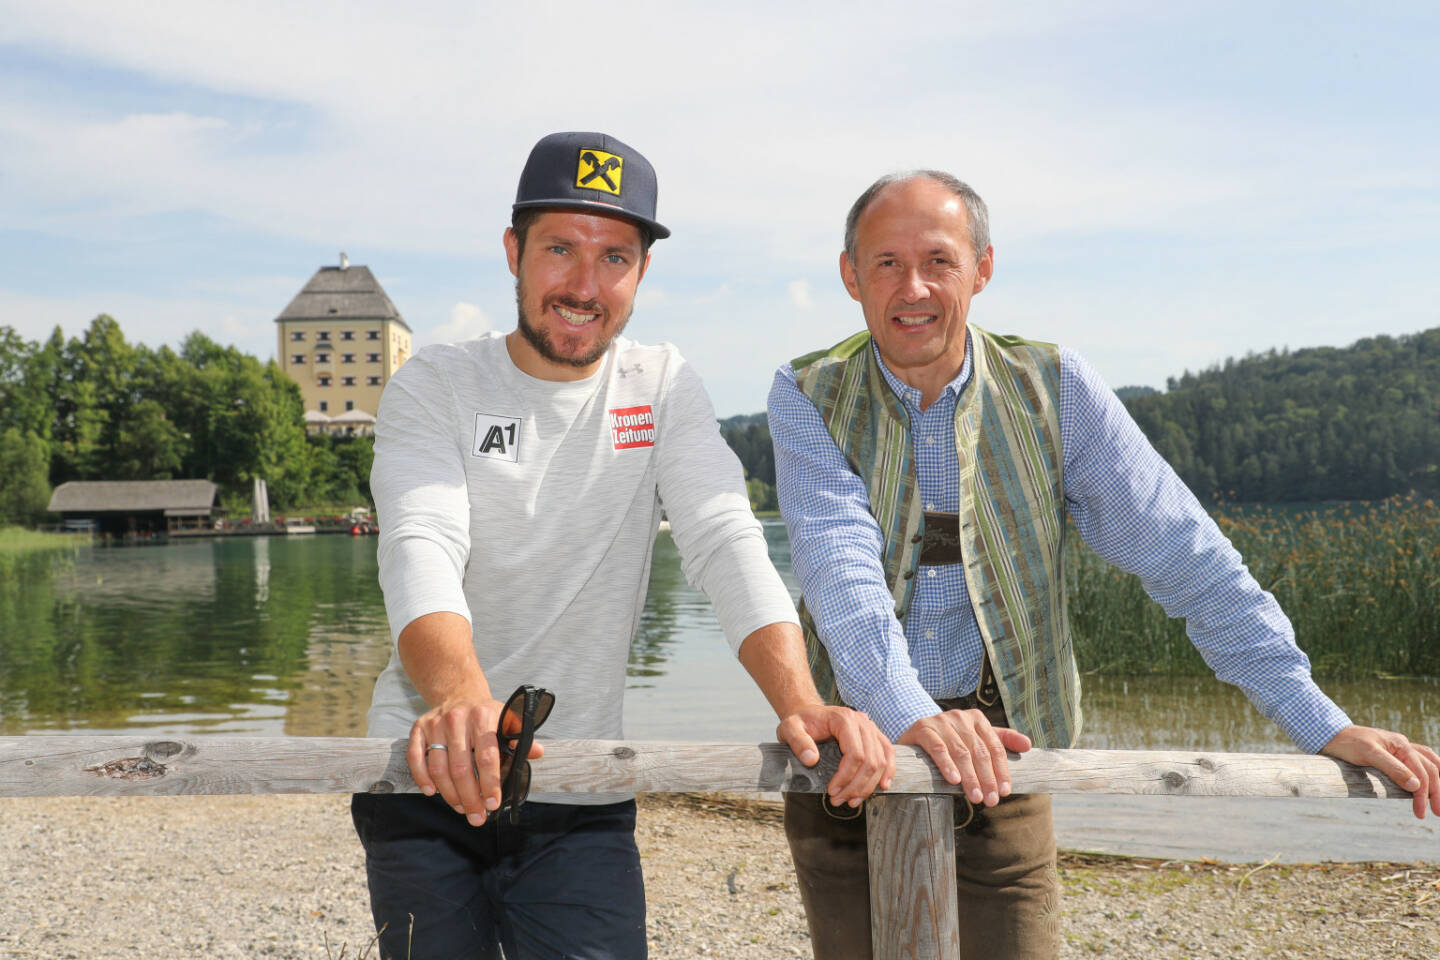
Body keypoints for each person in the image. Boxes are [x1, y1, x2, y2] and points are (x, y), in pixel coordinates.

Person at [767, 169, 1440, 960]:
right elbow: (839, 572)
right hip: (850, 763)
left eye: (939, 261)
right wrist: (911, 716)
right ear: (851, 275)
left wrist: (1318, 719)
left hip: (1006, 763)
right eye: (885, 263)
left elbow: (1185, 555)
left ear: (982, 269)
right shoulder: (807, 393)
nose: (912, 288)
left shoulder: (1057, 390)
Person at [351, 132, 894, 960]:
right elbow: (421, 544)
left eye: (614, 258)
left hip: (582, 790)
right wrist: (461, 699)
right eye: (560, 249)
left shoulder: (662, 384)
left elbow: (725, 540)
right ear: (513, 253)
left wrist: (801, 700)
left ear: (641, 274)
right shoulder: (437, 384)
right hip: (428, 770)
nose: (583, 284)